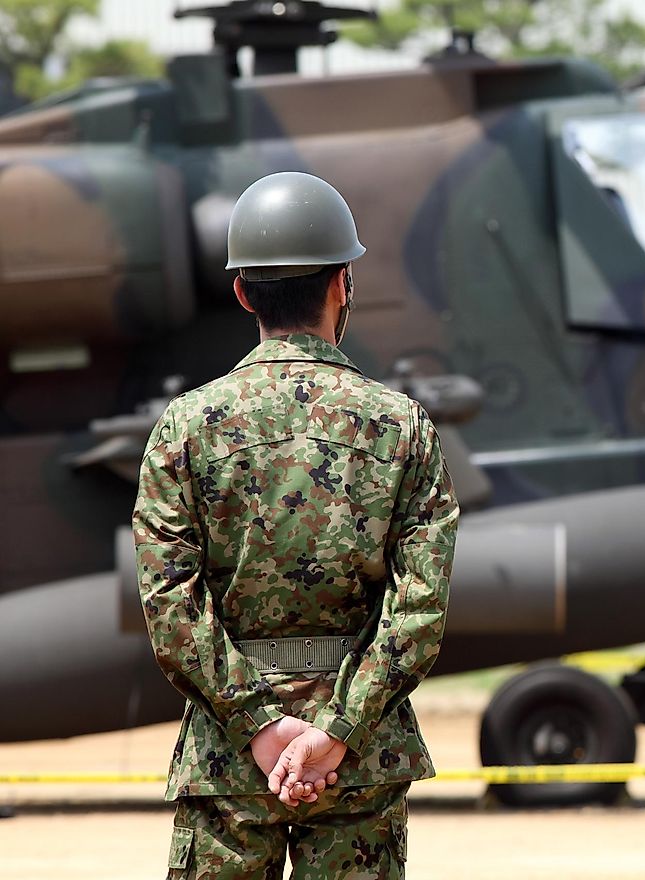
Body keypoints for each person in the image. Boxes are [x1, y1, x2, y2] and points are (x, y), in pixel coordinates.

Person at [133, 171, 458, 878]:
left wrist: (258, 726)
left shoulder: (186, 428)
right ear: (344, 283)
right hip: (359, 764)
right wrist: (337, 732)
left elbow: (170, 605)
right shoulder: (402, 428)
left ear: (243, 291)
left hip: (228, 763)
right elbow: (419, 609)